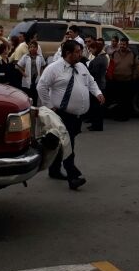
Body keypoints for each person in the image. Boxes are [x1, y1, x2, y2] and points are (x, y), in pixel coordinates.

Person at [37, 40, 104, 190]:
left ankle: (54, 169)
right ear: (68, 53)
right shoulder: (54, 68)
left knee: (64, 142)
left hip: (77, 116)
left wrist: (98, 93)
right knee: (68, 144)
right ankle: (73, 176)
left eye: (80, 51)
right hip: (62, 114)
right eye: (77, 52)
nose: (80, 54)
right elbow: (41, 86)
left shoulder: (81, 66)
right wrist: (49, 106)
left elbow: (91, 81)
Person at [108, 37, 139, 121]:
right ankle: (118, 115)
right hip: (116, 81)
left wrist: (134, 78)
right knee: (118, 99)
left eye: (124, 44)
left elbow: (136, 67)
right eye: (121, 44)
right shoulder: (114, 54)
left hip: (127, 81)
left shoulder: (132, 54)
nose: (122, 46)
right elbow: (111, 66)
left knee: (126, 99)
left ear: (127, 45)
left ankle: (125, 116)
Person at [86, 37, 108, 130]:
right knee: (97, 106)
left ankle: (97, 125)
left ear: (95, 48)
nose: (90, 50)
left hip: (98, 85)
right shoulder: (102, 57)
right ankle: (95, 124)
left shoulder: (99, 59)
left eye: (91, 48)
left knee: (97, 107)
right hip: (100, 84)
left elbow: (93, 73)